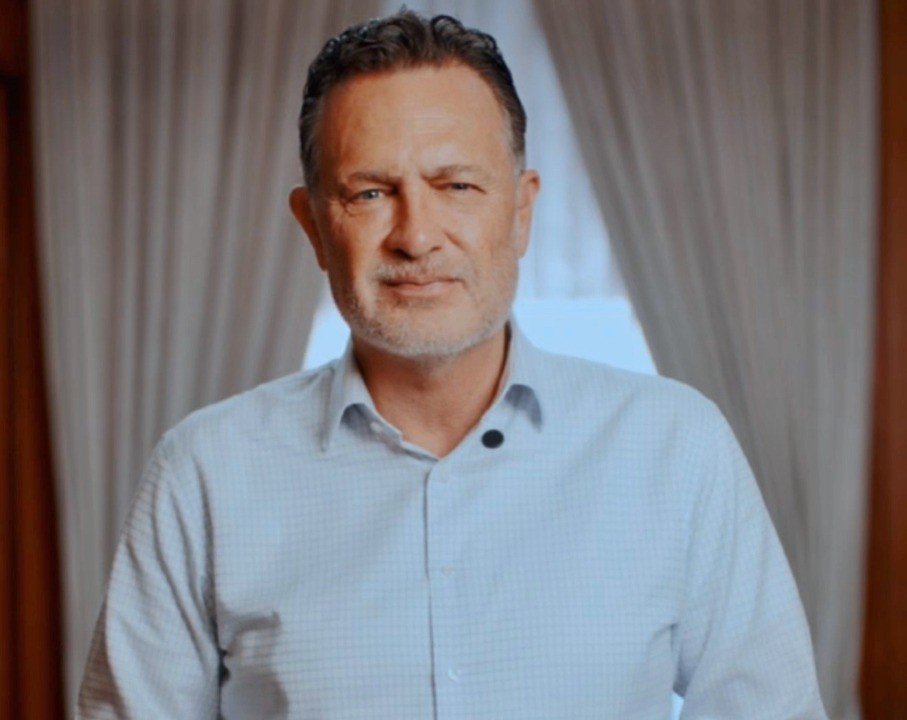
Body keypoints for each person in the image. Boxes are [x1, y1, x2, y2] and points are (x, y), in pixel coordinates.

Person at [77, 10, 828, 719]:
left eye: (457, 186)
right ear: (313, 227)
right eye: (371, 193)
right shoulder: (203, 473)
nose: (416, 236)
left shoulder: (677, 447)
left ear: (522, 211)